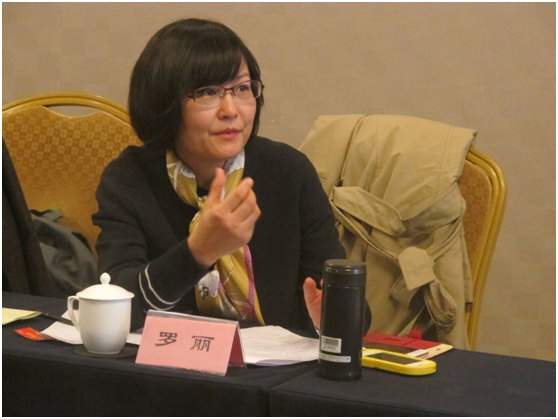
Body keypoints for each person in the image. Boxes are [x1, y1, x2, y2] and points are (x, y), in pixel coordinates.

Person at [93, 18, 370, 333]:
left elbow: (351, 309)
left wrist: (333, 317)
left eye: (242, 89)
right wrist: (198, 252)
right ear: (164, 102)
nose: (231, 110)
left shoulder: (288, 172)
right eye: (208, 92)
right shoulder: (130, 177)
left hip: (275, 362)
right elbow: (115, 306)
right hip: (168, 360)